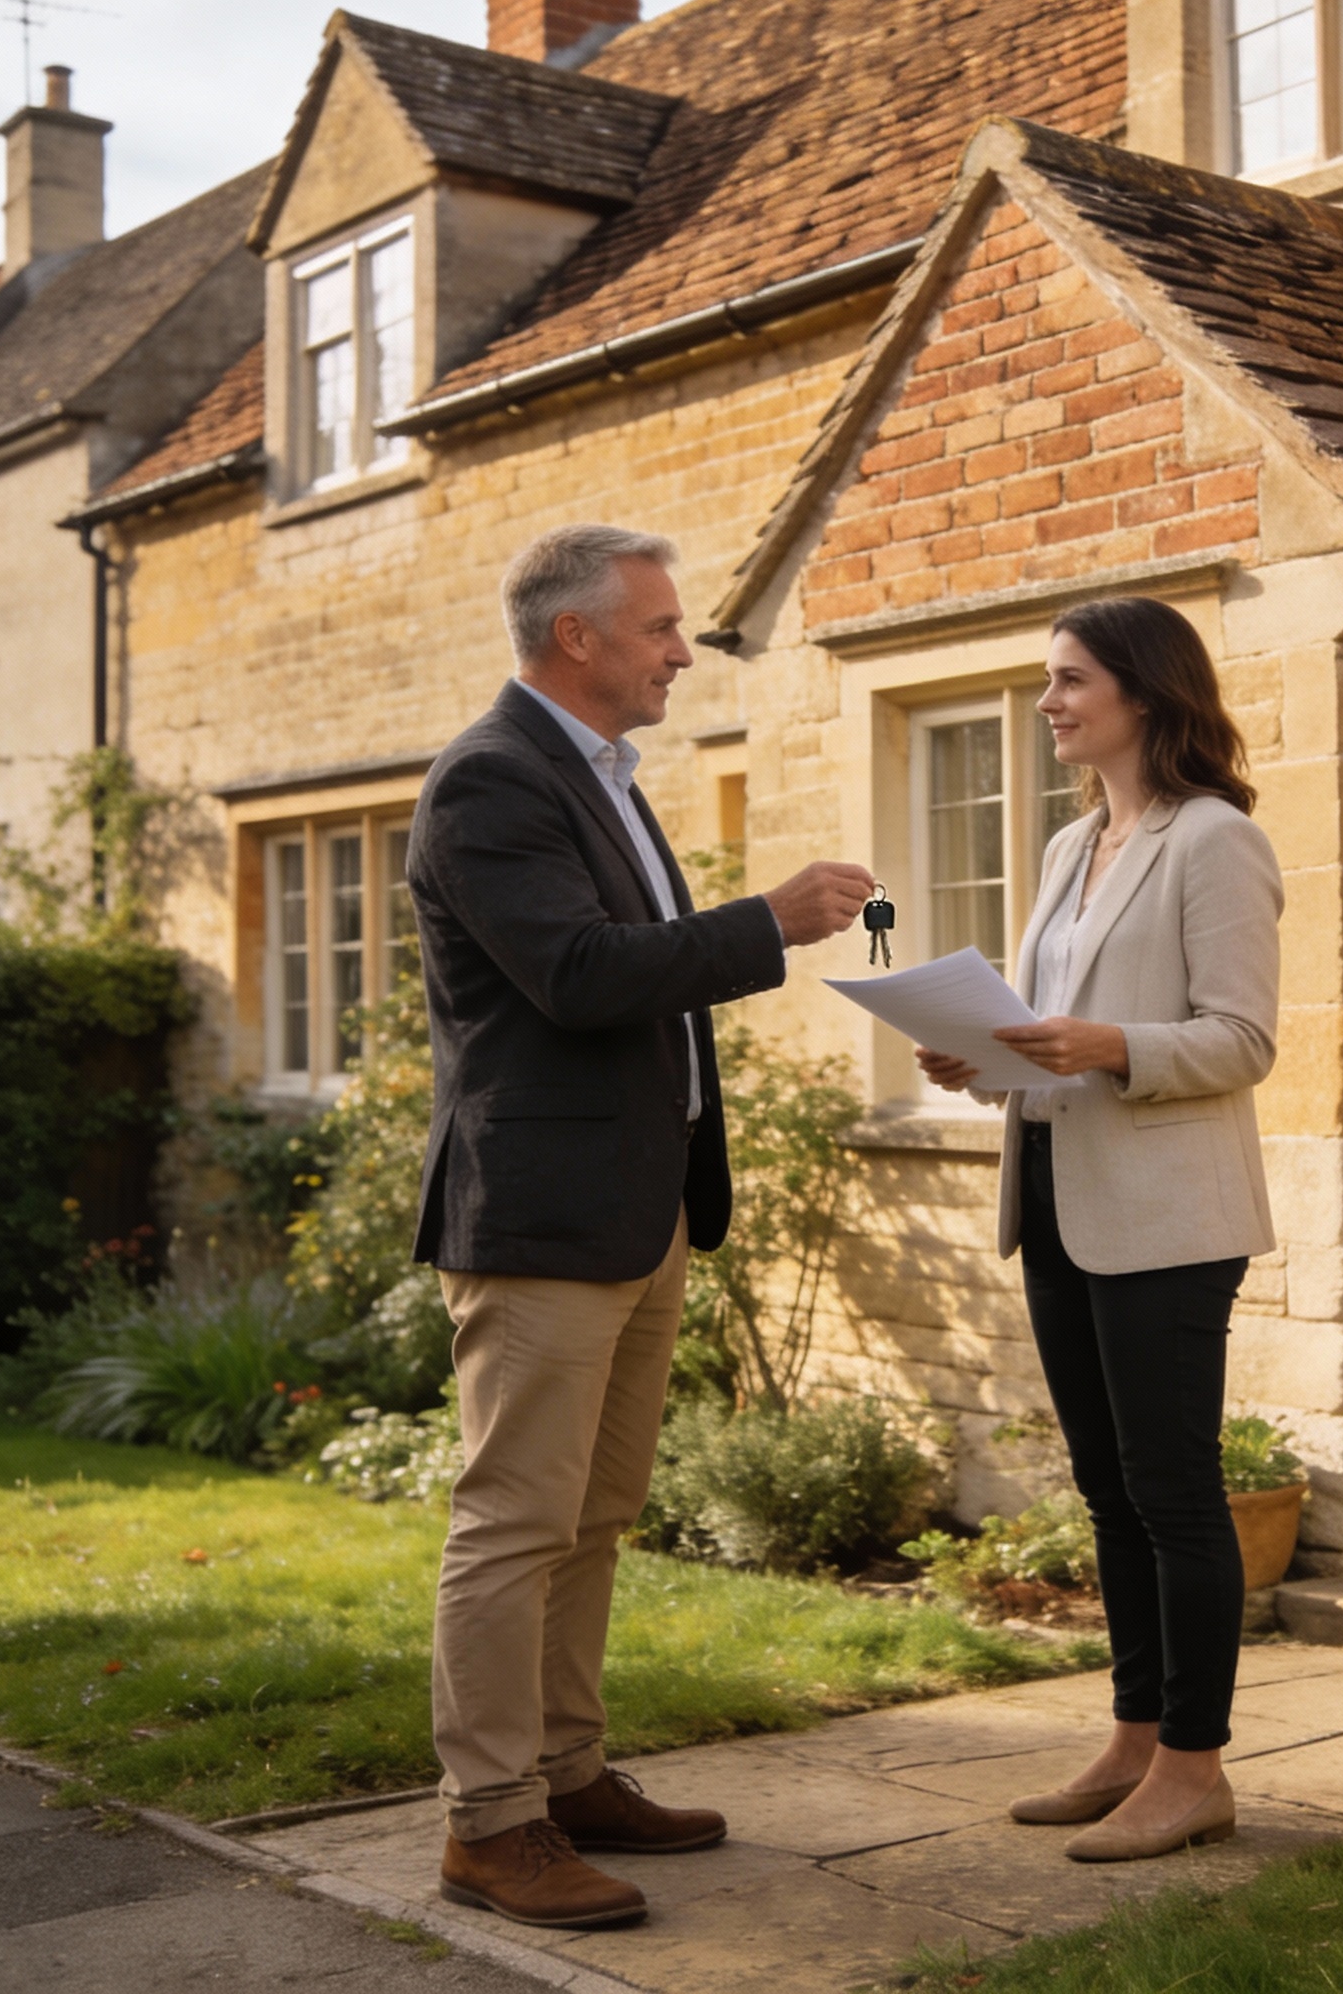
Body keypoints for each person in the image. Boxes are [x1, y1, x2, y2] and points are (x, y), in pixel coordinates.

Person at [405, 524, 873, 1929]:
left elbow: (633, 978)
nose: (682, 650)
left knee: (595, 1514)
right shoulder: (492, 778)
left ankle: (567, 1772)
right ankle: (491, 1824)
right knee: (514, 1522)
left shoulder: (601, 775)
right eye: (661, 627)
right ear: (577, 637)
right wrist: (767, 921)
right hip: (541, 1218)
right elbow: (578, 973)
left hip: (638, 1206)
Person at [916, 596, 1281, 1864]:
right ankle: (1131, 1740)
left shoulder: (1214, 839)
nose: (1047, 701)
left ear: (1144, 691)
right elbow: (1055, 1029)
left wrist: (1110, 1044)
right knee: (1107, 1491)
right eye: (1047, 679)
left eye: (1070, 679)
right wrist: (983, 1057)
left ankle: (1193, 1766)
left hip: (1168, 1217)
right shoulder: (1072, 844)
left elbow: (1242, 1038)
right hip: (1055, 1195)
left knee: (1173, 1492)